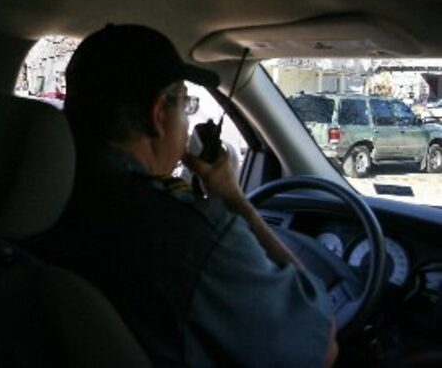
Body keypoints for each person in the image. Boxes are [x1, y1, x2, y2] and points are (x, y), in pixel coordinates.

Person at [30, 24, 338, 367]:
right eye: (186, 106)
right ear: (159, 113)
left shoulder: (29, 200)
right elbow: (321, 344)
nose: (187, 122)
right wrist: (236, 203)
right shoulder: (192, 236)